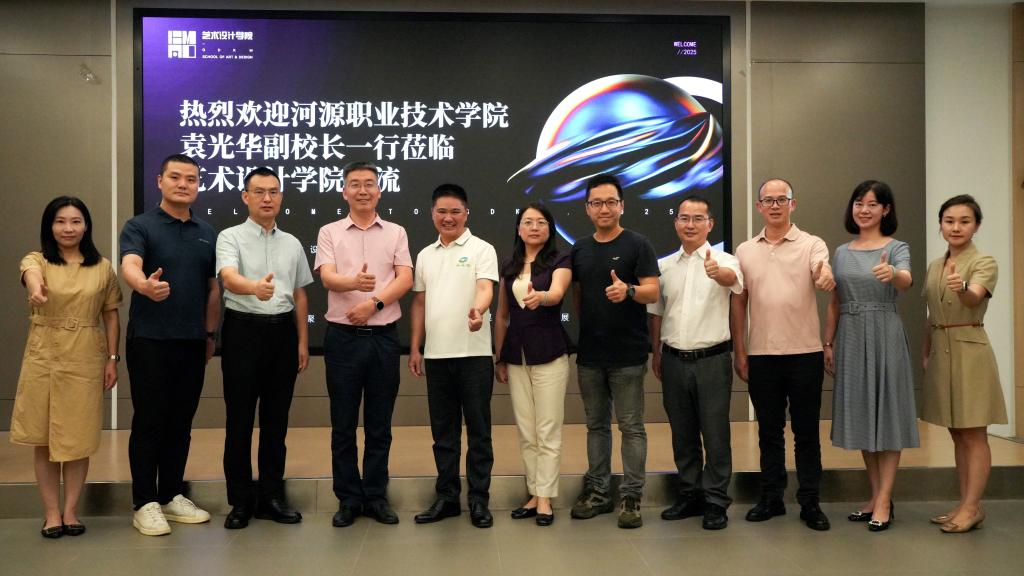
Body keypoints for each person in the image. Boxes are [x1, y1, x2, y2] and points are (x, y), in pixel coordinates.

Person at [119, 153, 219, 536]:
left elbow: (212, 289)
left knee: (181, 422)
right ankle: (144, 502)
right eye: (175, 177)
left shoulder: (206, 232)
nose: (183, 184)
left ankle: (172, 494)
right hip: (149, 339)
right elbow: (130, 264)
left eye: (191, 179)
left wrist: (209, 334)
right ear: (159, 181)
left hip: (191, 341)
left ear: (198, 185)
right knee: (150, 421)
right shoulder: (140, 226)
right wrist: (143, 285)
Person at [11, 197, 121, 538]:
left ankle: (71, 510)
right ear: (50, 226)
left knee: (78, 436)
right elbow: (30, 274)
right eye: (60, 221)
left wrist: (112, 359)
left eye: (75, 221)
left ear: (86, 226)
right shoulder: (37, 259)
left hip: (85, 354)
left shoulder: (102, 267)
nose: (68, 228)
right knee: (44, 438)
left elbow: (111, 315)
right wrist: (36, 289)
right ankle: (51, 513)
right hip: (44, 352)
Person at [731, 178, 835, 531]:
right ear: (759, 206)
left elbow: (822, 269)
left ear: (793, 204)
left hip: (805, 353)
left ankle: (810, 502)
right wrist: (740, 350)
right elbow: (739, 302)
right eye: (768, 200)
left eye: (782, 199)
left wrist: (824, 275)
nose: (775, 205)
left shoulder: (812, 244)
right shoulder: (745, 250)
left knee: (806, 433)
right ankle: (771, 498)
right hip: (761, 355)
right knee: (769, 433)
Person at [315, 161, 413, 528]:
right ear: (344, 192)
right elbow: (327, 278)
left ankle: (375, 495)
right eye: (354, 184)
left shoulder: (396, 232)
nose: (362, 190)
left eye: (369, 184)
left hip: (384, 339)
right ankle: (348, 498)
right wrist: (353, 282)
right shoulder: (329, 231)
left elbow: (405, 278)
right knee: (342, 425)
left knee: (379, 424)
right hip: (342, 339)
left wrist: (373, 303)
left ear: (379, 191)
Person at [217, 167, 313, 529]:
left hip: (282, 334)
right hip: (243, 331)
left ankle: (272, 497)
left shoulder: (292, 243)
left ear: (281, 197)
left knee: (276, 421)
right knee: (239, 421)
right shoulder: (230, 237)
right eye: (259, 192)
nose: (267, 198)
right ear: (246, 197)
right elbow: (228, 278)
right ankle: (240, 501)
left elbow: (300, 294)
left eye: (273, 191)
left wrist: (302, 340)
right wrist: (254, 288)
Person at [823, 180, 918, 532]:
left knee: (887, 416)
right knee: (863, 415)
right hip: (850, 334)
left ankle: (884, 499)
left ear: (886, 210)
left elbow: (906, 279)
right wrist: (828, 343)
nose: (864, 210)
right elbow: (835, 301)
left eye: (872, 204)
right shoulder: (841, 252)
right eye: (859, 203)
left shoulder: (896, 247)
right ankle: (877, 495)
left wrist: (892, 274)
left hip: (884, 333)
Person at [569, 173, 660, 529]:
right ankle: (598, 492)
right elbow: (578, 297)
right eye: (597, 203)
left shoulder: (639, 244)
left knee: (631, 427)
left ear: (622, 206)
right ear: (587, 208)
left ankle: (632, 496)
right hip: (590, 354)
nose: (604, 208)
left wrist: (629, 291)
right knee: (596, 426)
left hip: (628, 354)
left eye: (610, 202)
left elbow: (653, 291)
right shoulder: (579, 248)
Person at [648, 194, 743, 531]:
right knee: (683, 433)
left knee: (715, 435)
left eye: (698, 219)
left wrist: (718, 274)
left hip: (712, 361)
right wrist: (656, 353)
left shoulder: (726, 260)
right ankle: (690, 494)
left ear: (710, 224)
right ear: (676, 223)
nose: (690, 225)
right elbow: (657, 313)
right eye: (684, 218)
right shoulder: (664, 266)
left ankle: (716, 501)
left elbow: (734, 282)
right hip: (673, 360)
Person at [409, 183, 499, 529]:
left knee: (479, 432)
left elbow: (485, 288)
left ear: (466, 214)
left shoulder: (482, 249)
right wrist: (415, 346)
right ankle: (446, 498)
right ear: (432, 214)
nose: (448, 218)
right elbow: (419, 303)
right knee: (443, 434)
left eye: (455, 212)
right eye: (442, 212)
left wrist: (478, 311)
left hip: (474, 355)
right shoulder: (425, 255)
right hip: (436, 357)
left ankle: (479, 500)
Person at [921, 194, 1006, 533]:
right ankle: (965, 503)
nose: (956, 227)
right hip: (941, 350)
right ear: (941, 225)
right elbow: (930, 314)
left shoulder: (984, 262)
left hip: (970, 351)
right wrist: (925, 352)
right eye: (949, 221)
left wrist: (962, 288)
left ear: (977, 226)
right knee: (957, 432)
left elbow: (973, 297)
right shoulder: (935, 265)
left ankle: (972, 507)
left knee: (973, 432)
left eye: (964, 221)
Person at [494, 202, 572, 527]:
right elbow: (502, 315)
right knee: (527, 431)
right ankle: (533, 492)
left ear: (549, 228)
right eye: (528, 222)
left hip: (549, 351)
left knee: (547, 429)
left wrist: (541, 297)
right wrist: (499, 356)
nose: (534, 227)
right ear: (519, 228)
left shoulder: (560, 259)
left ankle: (545, 498)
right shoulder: (509, 265)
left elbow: (557, 293)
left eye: (541, 222)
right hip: (516, 355)